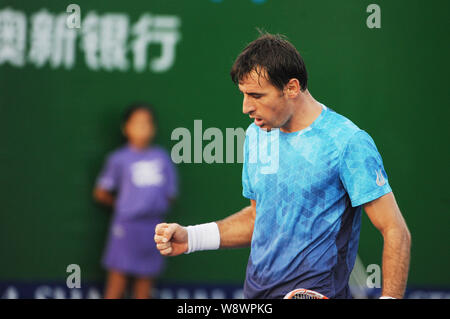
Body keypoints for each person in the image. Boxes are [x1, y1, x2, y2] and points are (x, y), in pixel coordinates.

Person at [154, 33, 411, 299]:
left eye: (256, 95)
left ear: (291, 88)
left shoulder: (347, 141)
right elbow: (258, 218)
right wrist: (191, 238)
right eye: (243, 95)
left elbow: (394, 229)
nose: (246, 107)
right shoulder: (256, 135)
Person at [94, 102, 178, 299]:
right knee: (116, 284)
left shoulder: (162, 158)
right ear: (126, 128)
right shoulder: (118, 159)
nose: (143, 127)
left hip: (154, 228)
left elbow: (171, 194)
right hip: (125, 227)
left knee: (144, 285)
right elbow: (101, 192)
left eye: (147, 122)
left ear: (154, 127)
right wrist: (126, 206)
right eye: (137, 122)